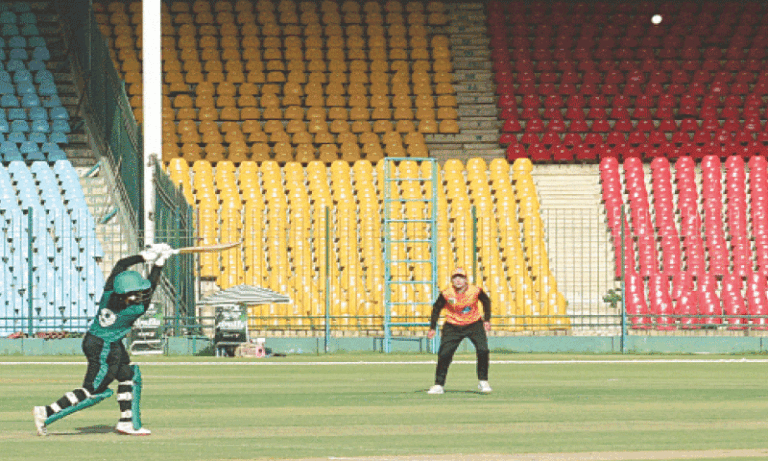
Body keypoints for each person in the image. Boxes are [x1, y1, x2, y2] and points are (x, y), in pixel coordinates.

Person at [33, 243, 176, 436]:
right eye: (137, 292)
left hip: (98, 341)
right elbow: (152, 285)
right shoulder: (135, 309)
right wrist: (159, 263)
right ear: (128, 296)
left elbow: (120, 265)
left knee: (128, 375)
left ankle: (127, 422)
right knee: (92, 390)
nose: (141, 294)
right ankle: (46, 412)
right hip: (104, 347)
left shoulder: (109, 294)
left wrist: (143, 257)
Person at [426, 267, 492, 394]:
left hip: (474, 324)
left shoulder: (475, 290)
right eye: (455, 278)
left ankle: (483, 381)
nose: (458, 280)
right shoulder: (447, 293)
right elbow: (436, 308)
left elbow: (486, 301)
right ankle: (439, 385)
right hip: (452, 325)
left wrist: (487, 319)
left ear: (466, 280)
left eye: (461, 277)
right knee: (444, 354)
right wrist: (432, 327)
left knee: (483, 350)